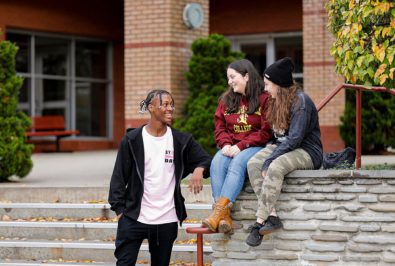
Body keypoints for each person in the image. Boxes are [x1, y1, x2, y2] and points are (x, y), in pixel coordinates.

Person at [108, 89, 211, 266]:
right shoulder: (132, 140)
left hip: (166, 219)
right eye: (164, 105)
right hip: (134, 217)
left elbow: (207, 160)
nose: (170, 108)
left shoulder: (181, 140)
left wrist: (199, 170)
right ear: (151, 107)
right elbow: (118, 177)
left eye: (172, 105)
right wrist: (120, 211)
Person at [245, 57, 323, 247]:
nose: (265, 89)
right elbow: (279, 137)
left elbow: (295, 139)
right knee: (253, 163)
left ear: (279, 84)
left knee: (275, 166)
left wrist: (270, 158)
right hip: (283, 146)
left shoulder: (301, 102)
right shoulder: (277, 100)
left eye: (268, 84)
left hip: (307, 151)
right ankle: (272, 216)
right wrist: (267, 155)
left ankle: (259, 221)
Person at [202, 59, 272, 234]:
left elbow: (266, 132)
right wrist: (225, 144)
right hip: (231, 146)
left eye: (233, 77)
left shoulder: (264, 99)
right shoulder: (226, 100)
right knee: (216, 163)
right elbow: (219, 127)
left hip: (255, 145)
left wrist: (241, 145)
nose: (229, 82)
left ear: (246, 76)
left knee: (237, 163)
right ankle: (224, 217)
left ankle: (217, 213)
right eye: (228, 78)